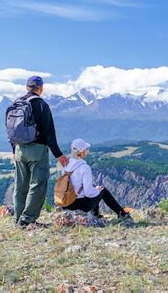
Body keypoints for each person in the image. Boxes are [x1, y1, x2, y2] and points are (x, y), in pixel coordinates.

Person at [12, 76, 69, 227]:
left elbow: (11, 131)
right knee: (37, 184)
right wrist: (59, 155)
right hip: (37, 150)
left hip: (19, 150)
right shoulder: (42, 105)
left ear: (27, 87)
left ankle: (17, 218)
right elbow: (50, 133)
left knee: (20, 186)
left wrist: (14, 150)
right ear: (41, 88)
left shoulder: (17, 103)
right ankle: (27, 220)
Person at [62, 138, 131, 219]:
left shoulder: (66, 165)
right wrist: (97, 190)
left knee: (94, 188)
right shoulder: (84, 167)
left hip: (66, 203)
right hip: (80, 205)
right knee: (103, 191)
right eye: (86, 149)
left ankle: (96, 214)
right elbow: (88, 193)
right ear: (82, 152)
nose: (87, 151)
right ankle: (122, 214)